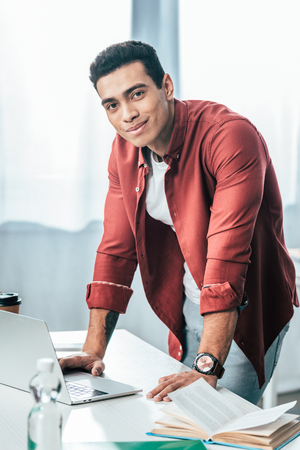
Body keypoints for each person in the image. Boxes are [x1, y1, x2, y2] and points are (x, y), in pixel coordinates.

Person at [60, 40, 298, 404]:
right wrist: (93, 351)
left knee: (219, 425)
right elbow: (116, 253)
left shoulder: (230, 137)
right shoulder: (123, 150)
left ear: (166, 86)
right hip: (190, 302)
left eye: (136, 94)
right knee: (179, 423)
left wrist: (206, 368)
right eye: (112, 104)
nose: (127, 114)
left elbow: (226, 259)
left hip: (245, 308)